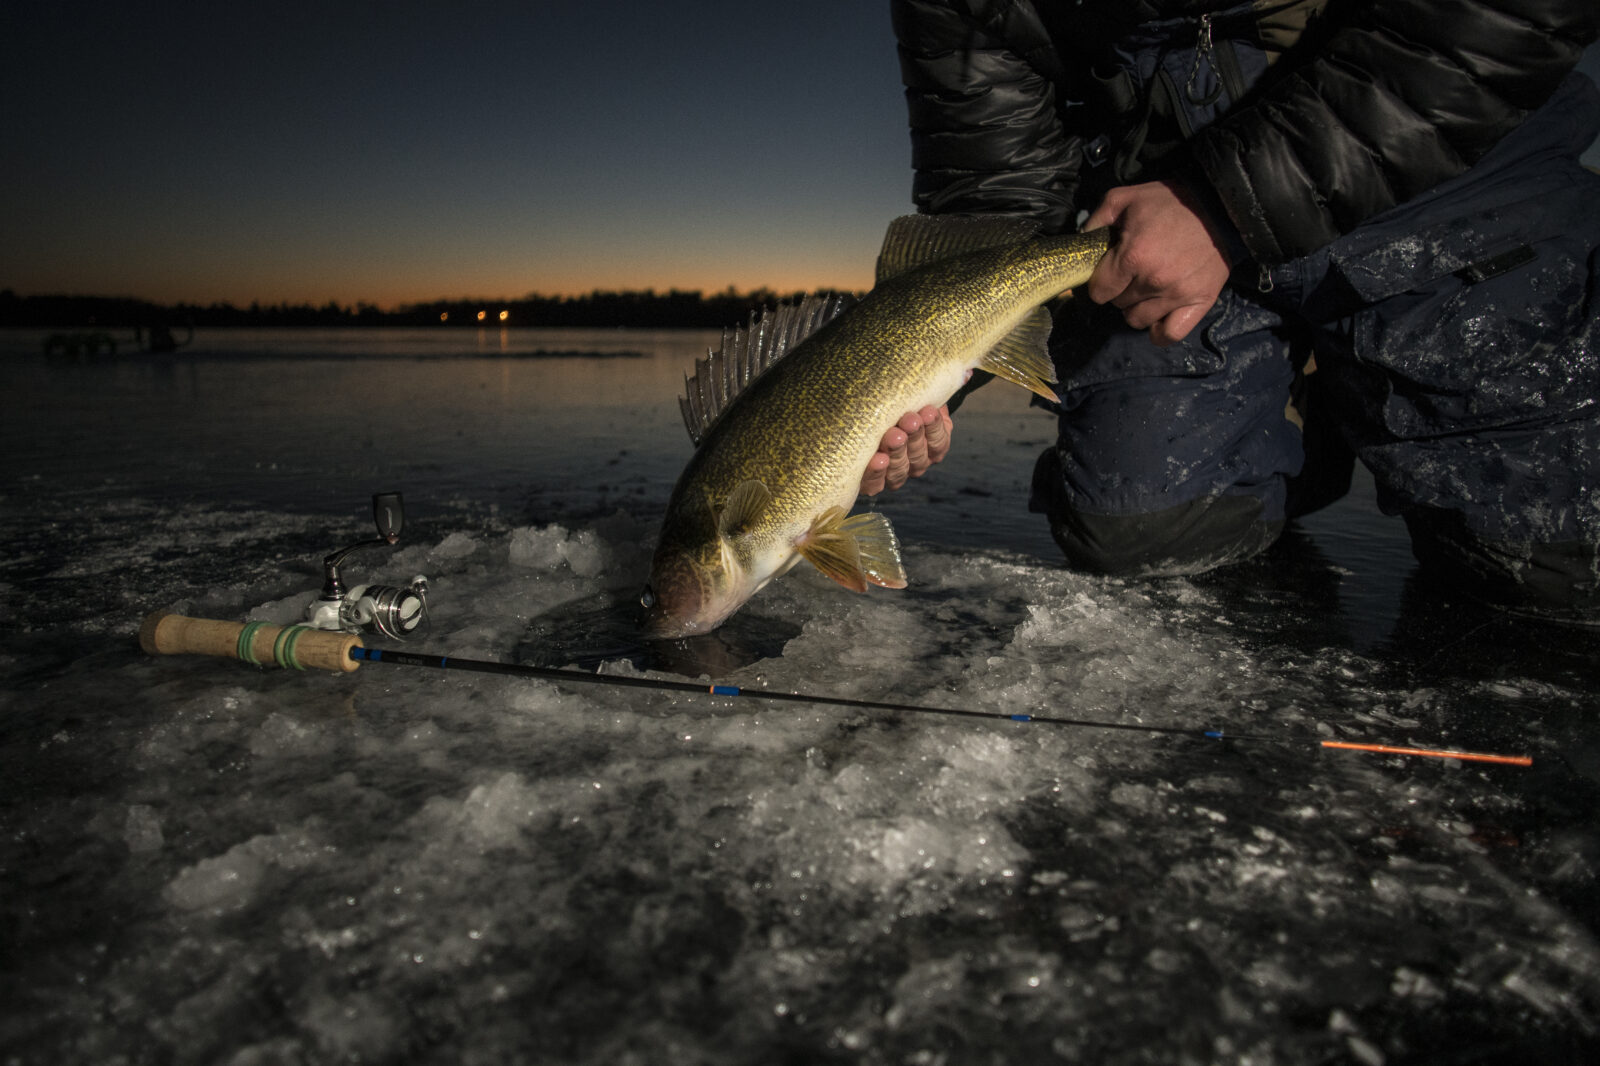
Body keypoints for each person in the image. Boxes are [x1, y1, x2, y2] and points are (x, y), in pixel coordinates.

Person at [866, 0, 1600, 618]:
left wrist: (1223, 205)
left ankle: (1346, 380)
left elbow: (1515, 17)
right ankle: (1303, 416)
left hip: (1439, 154)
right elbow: (993, 199)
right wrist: (893, 407)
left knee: (1552, 564)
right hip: (1157, 197)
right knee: (1143, 533)